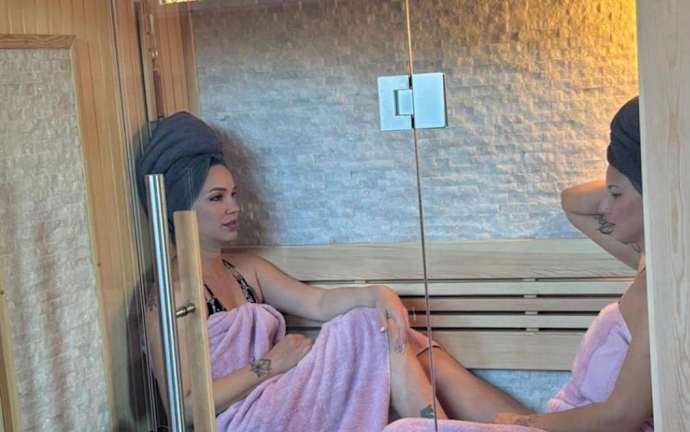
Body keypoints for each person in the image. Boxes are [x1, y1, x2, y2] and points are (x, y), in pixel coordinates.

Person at [136, 112, 525, 431]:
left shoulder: (244, 269)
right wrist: (270, 364)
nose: (233, 207)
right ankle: (519, 424)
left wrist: (376, 294)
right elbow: (185, 410)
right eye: (217, 198)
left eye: (234, 194)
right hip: (245, 419)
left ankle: (517, 425)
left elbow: (318, 302)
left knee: (385, 330)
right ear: (178, 208)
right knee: (368, 328)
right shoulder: (171, 295)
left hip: (280, 398)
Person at [384, 96, 654, 432]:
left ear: (653, 191)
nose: (605, 208)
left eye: (616, 194)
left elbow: (621, 416)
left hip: (561, 427)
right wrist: (626, 173)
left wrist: (523, 423)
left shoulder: (657, 290)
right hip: (558, 419)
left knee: (404, 430)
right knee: (416, 352)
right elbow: (572, 202)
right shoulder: (646, 259)